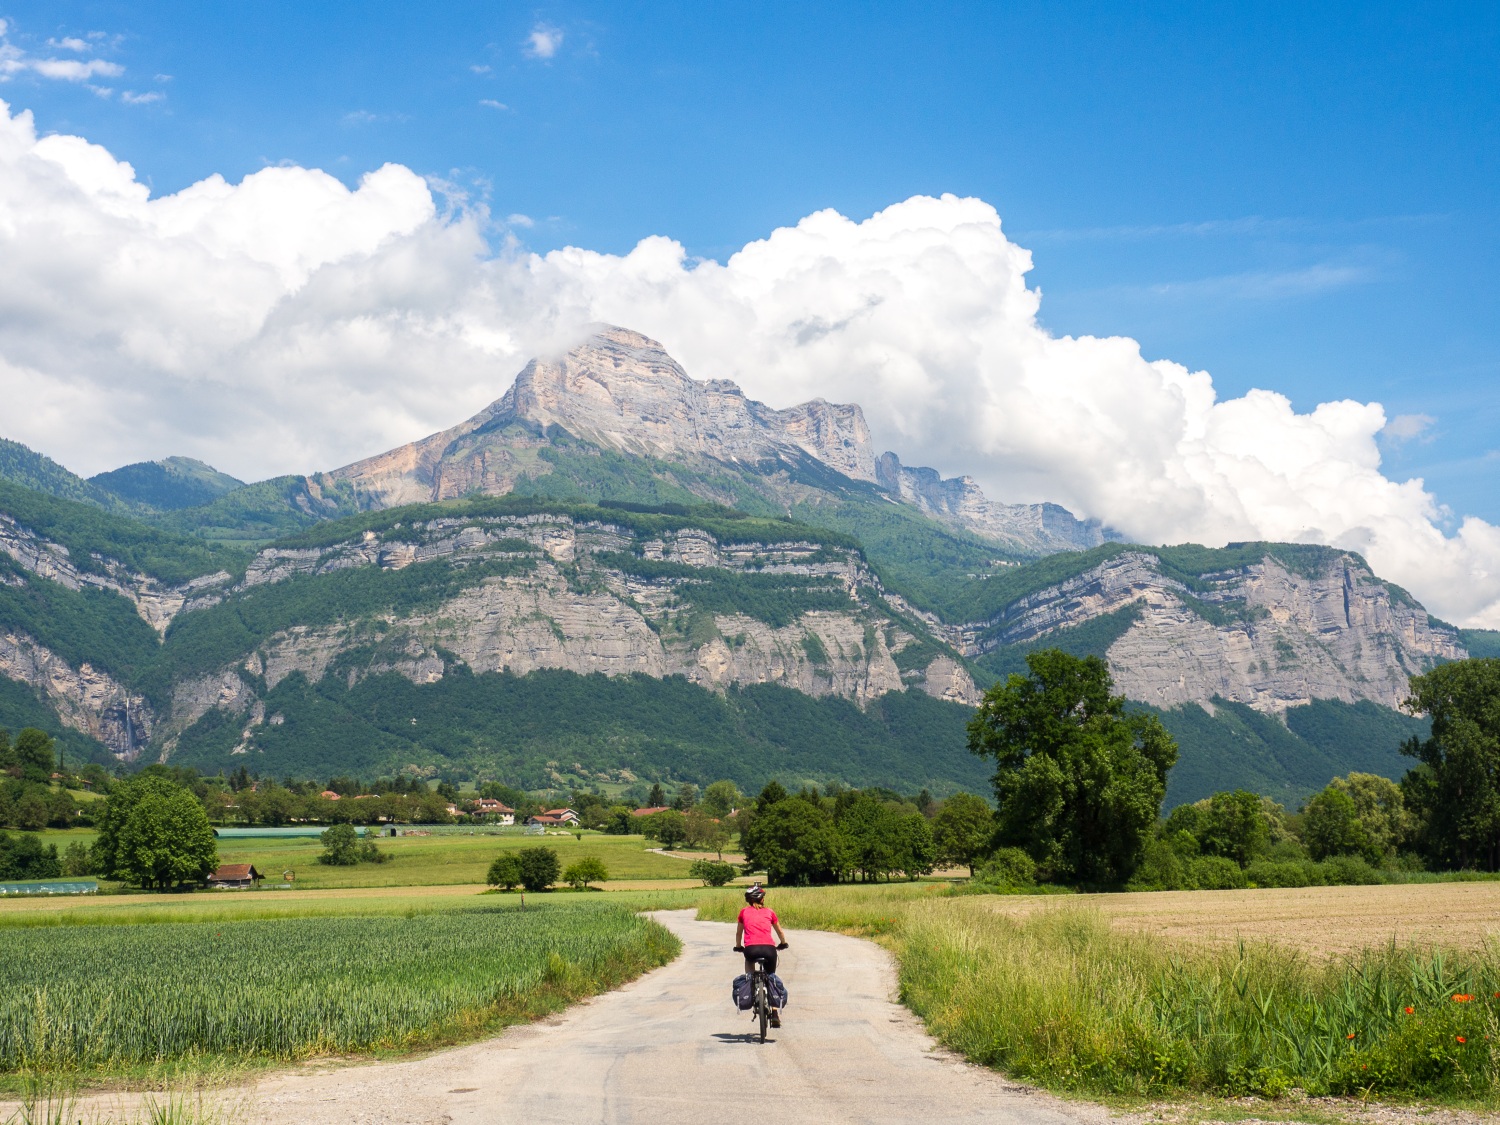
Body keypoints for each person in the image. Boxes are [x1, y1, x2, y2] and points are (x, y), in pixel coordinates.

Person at [733, 883, 789, 1027]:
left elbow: (739, 933)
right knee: (770, 976)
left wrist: (739, 947)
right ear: (761, 899)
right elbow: (780, 932)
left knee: (749, 967)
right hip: (769, 950)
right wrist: (783, 943)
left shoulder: (743, 912)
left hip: (751, 949)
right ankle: (775, 1012)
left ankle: (751, 986)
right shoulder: (770, 912)